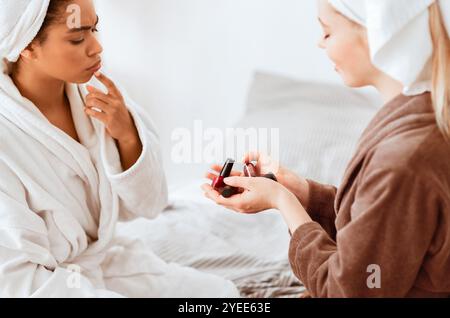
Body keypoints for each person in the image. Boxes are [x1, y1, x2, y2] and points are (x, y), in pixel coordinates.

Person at [203, 0, 450, 297]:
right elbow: (382, 230)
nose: (319, 42)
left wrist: (284, 203)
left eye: (328, 32)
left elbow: (349, 291)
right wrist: (304, 192)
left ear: (377, 35)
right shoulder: (421, 117)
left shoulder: (402, 160)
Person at [0, 0, 239, 297]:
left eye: (94, 29)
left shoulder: (99, 97)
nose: (96, 47)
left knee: (220, 294)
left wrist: (127, 135)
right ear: (28, 46)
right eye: (77, 38)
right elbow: (13, 278)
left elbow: (149, 205)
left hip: (99, 263)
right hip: (40, 283)